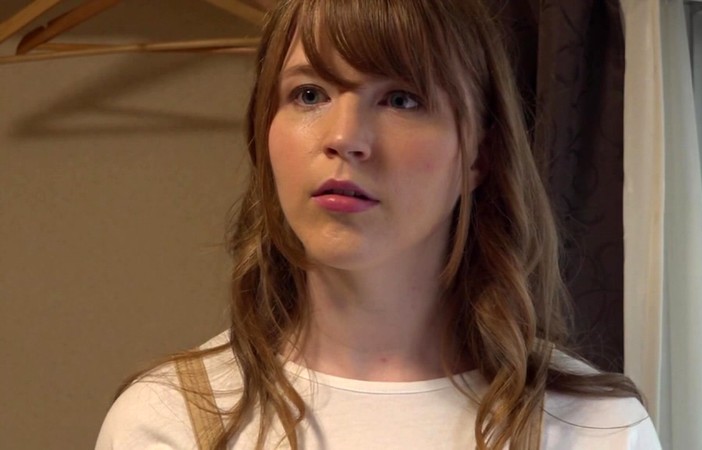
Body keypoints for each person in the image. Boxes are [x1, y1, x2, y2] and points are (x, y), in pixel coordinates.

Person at [96, 0, 662, 448]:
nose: (344, 137)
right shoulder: (168, 422)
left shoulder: (595, 430)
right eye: (309, 94)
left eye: (401, 99)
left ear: (479, 156)